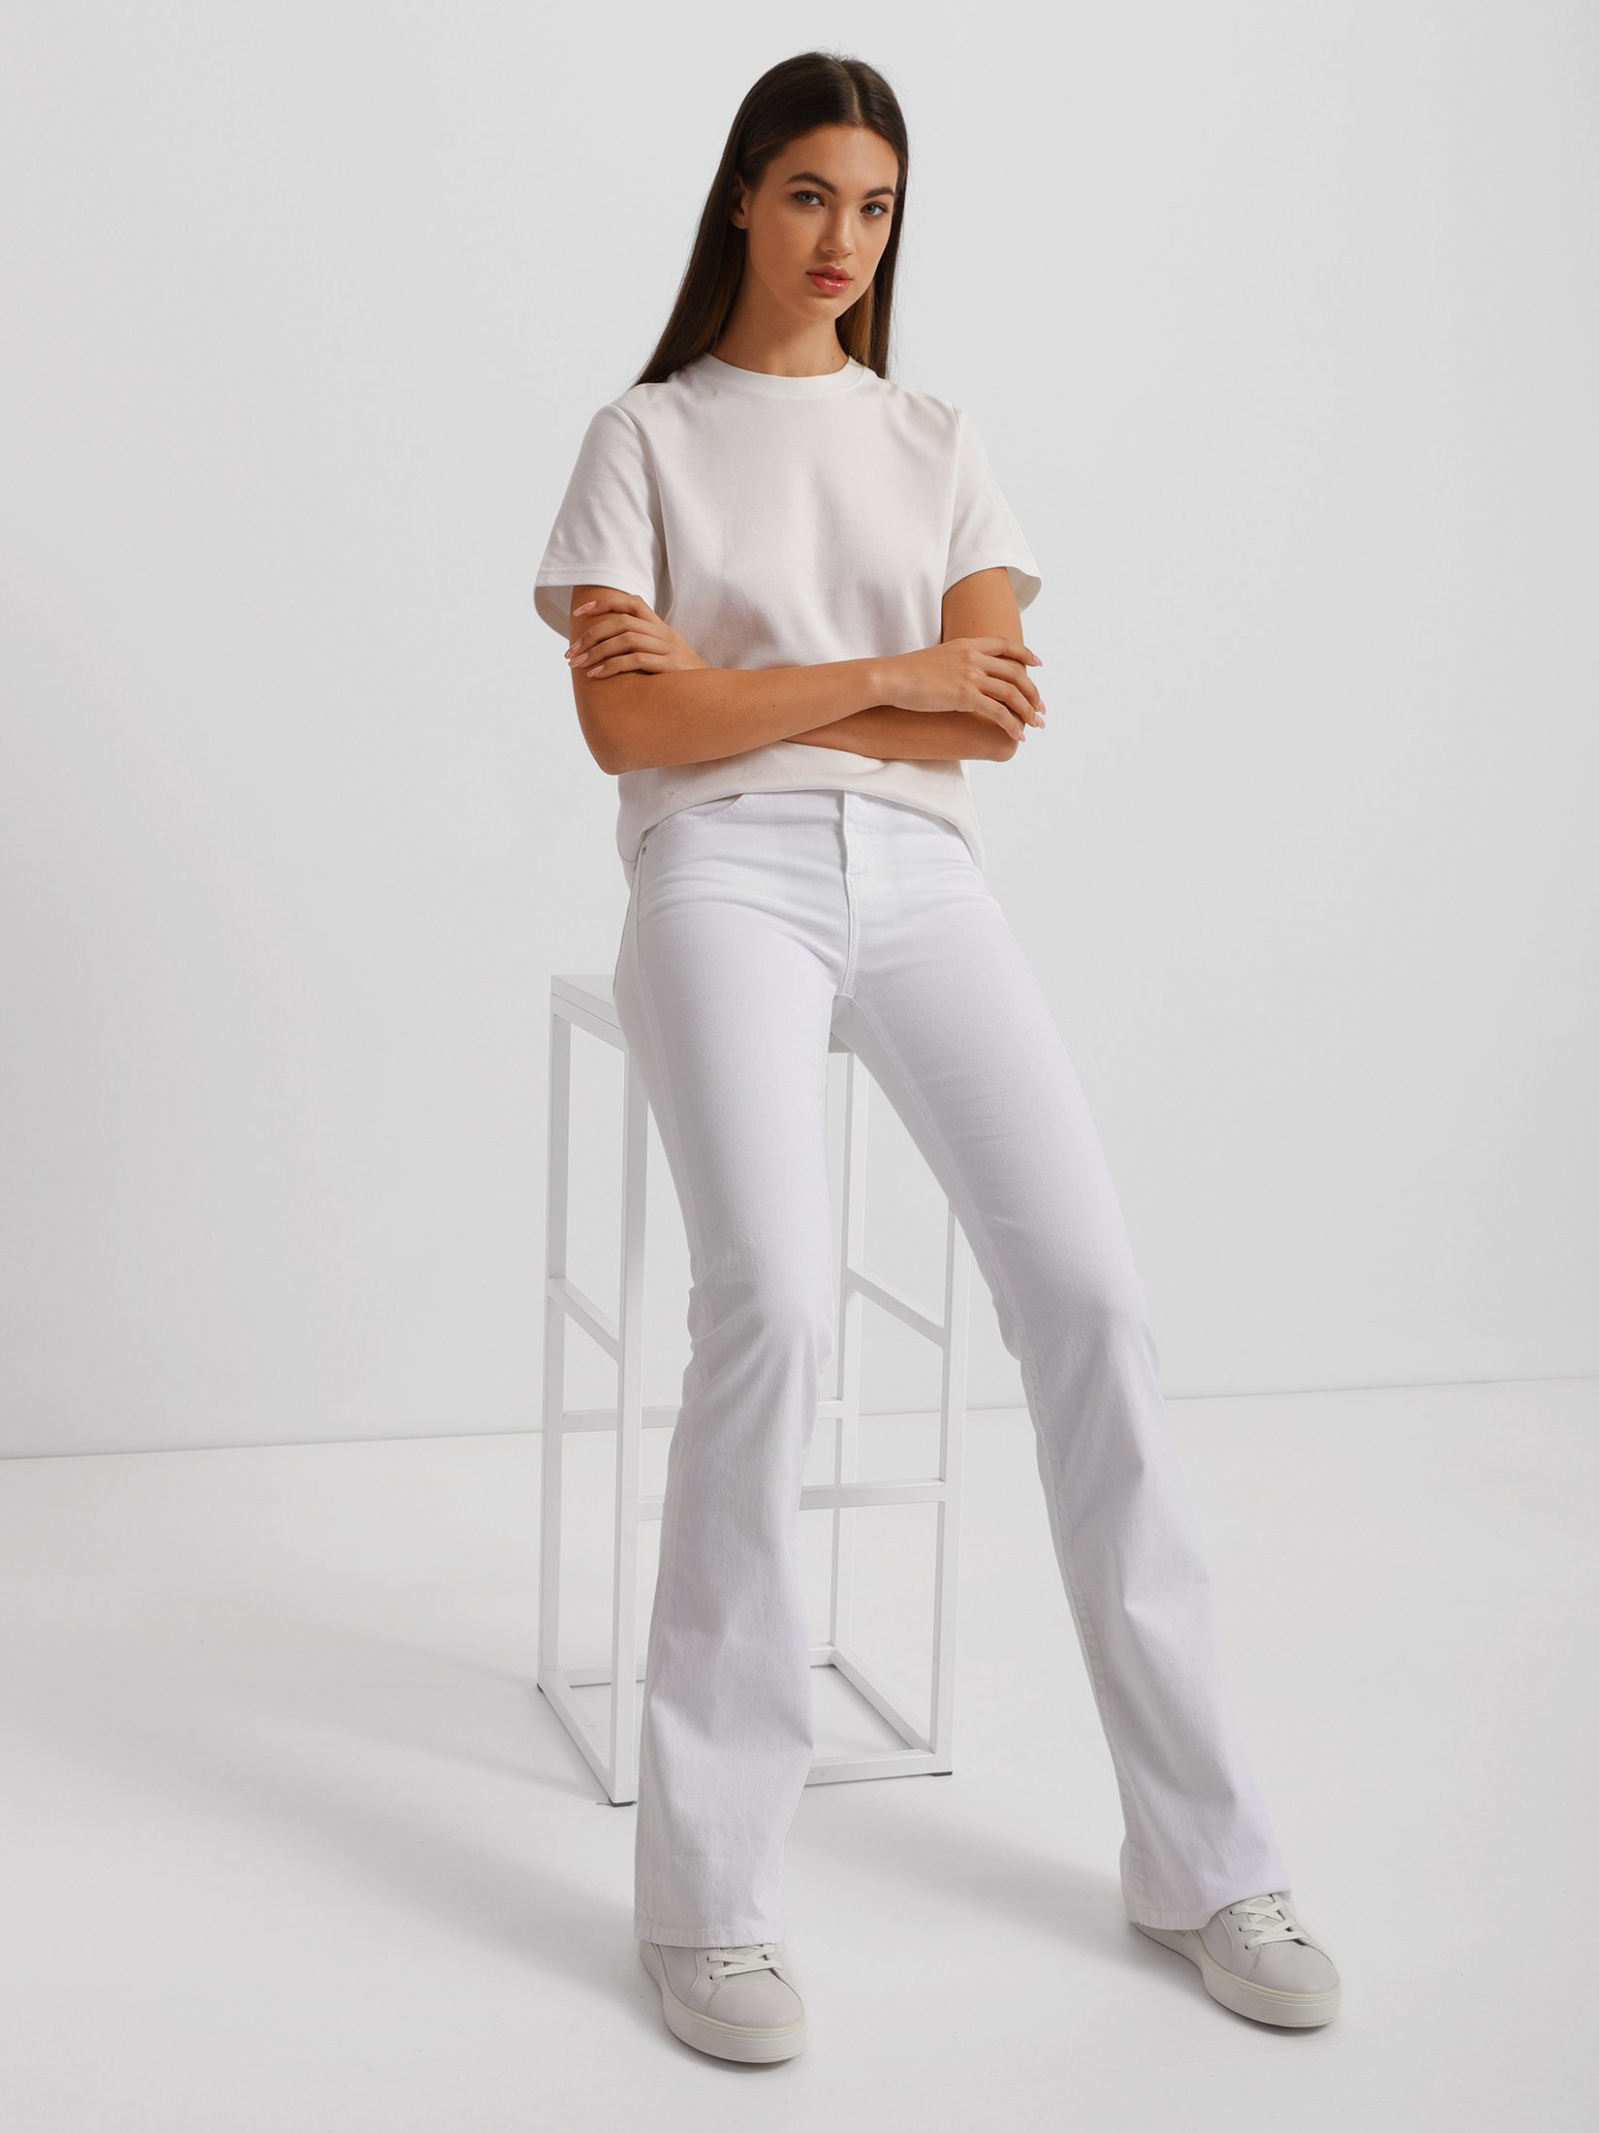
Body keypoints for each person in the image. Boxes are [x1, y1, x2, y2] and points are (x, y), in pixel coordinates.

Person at [534, 50, 1341, 2065]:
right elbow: (629, 733)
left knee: (1093, 1302)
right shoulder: (642, 435)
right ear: (742, 196)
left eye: (876, 205)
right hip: (716, 876)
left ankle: (1204, 1857)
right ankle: (709, 1903)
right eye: (810, 193)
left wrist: (756, 686)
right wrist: (889, 670)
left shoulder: (937, 439)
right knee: (770, 1302)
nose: (843, 239)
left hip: (921, 878)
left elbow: (986, 724)